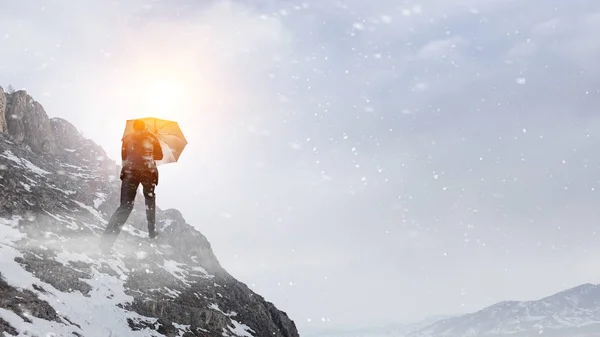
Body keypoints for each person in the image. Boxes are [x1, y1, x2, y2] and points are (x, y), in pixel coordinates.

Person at [100, 119, 163, 253]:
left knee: (125, 207)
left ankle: (106, 243)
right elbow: (160, 156)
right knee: (149, 200)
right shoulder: (152, 137)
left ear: (133, 128)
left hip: (130, 172)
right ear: (145, 127)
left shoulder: (127, 138)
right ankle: (152, 231)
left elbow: (124, 157)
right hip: (148, 172)